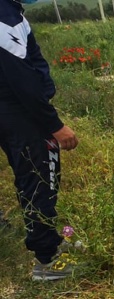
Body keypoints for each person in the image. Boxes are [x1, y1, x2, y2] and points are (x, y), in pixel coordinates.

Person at [1, 0, 79, 280]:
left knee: (27, 177)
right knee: (39, 178)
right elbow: (23, 79)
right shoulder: (5, 17)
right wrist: (53, 124)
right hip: (20, 113)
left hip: (10, 110)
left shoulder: (11, 11)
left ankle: (48, 242)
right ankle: (47, 259)